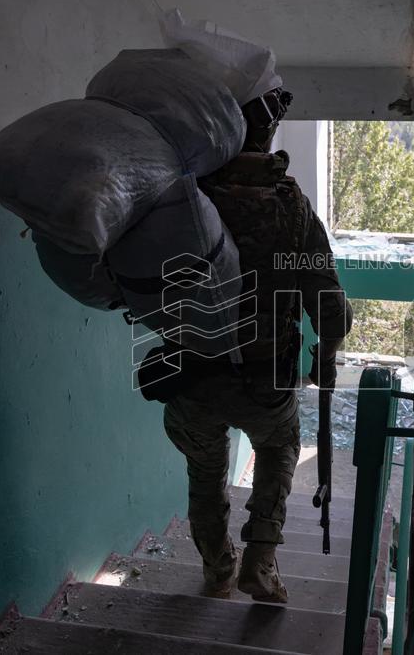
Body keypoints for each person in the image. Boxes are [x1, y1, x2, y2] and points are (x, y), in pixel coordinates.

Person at [162, 87, 352, 603]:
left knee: (205, 473)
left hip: (190, 375)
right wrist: (324, 356)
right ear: (268, 139)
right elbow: (331, 308)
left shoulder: (186, 198)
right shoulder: (293, 212)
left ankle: (217, 569)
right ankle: (261, 559)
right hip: (264, 379)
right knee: (279, 446)